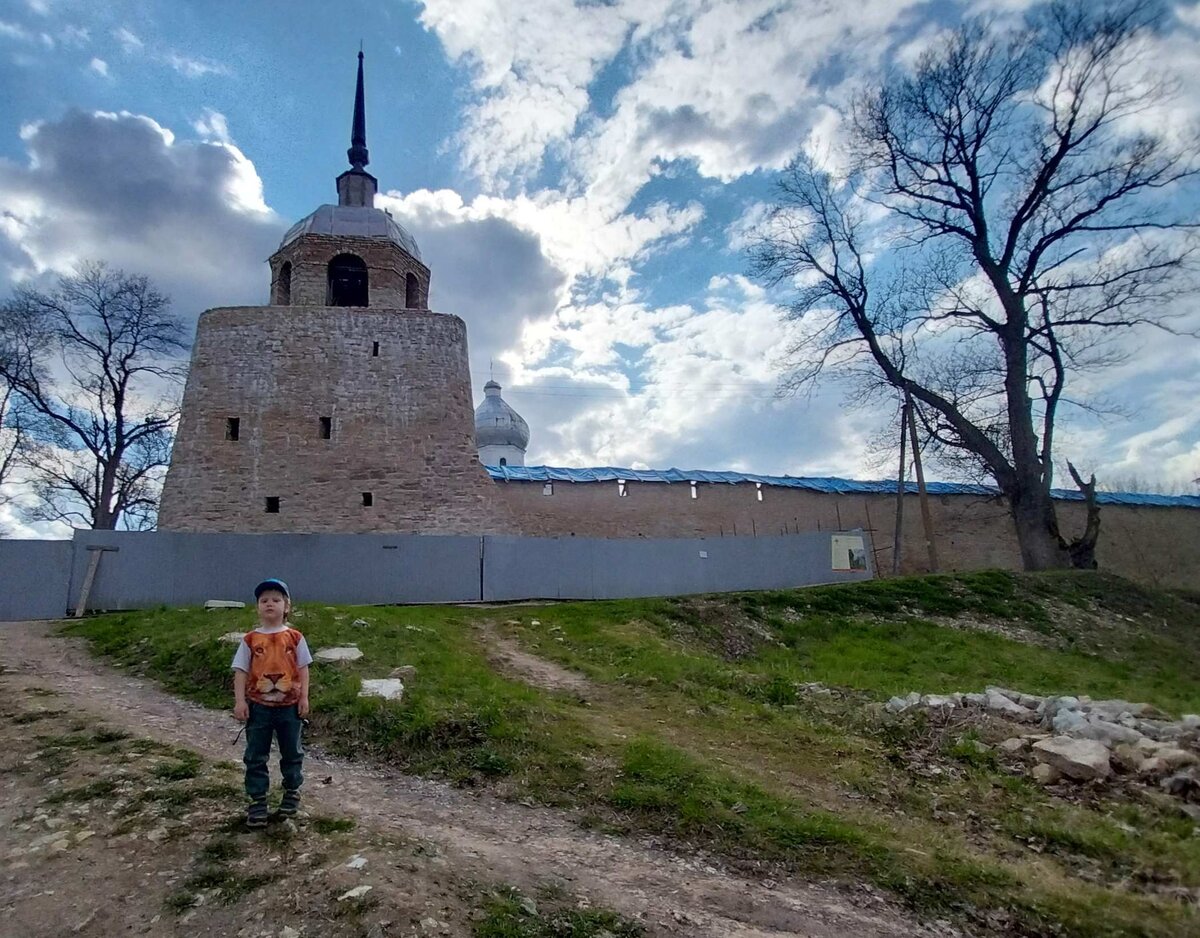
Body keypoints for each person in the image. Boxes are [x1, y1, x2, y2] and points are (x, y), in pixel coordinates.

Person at [231, 578, 313, 828]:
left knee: (292, 752)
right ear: (257, 607)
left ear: (286, 607)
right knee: (255, 754)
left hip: (289, 706)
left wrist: (304, 697)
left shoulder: (295, 637)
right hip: (259, 707)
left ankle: (292, 793)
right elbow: (240, 671)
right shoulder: (250, 639)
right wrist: (239, 701)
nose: (270, 604)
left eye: (276, 600)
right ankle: (257, 801)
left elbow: (303, 668)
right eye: (264, 600)